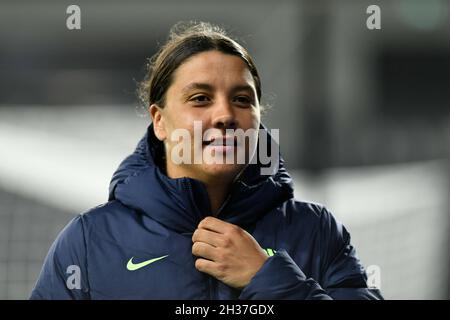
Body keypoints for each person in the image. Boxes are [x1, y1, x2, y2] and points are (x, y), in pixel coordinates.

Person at [30, 21, 383, 300]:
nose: (226, 115)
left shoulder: (317, 231)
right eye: (200, 98)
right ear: (160, 121)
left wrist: (269, 279)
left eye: (242, 100)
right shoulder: (90, 240)